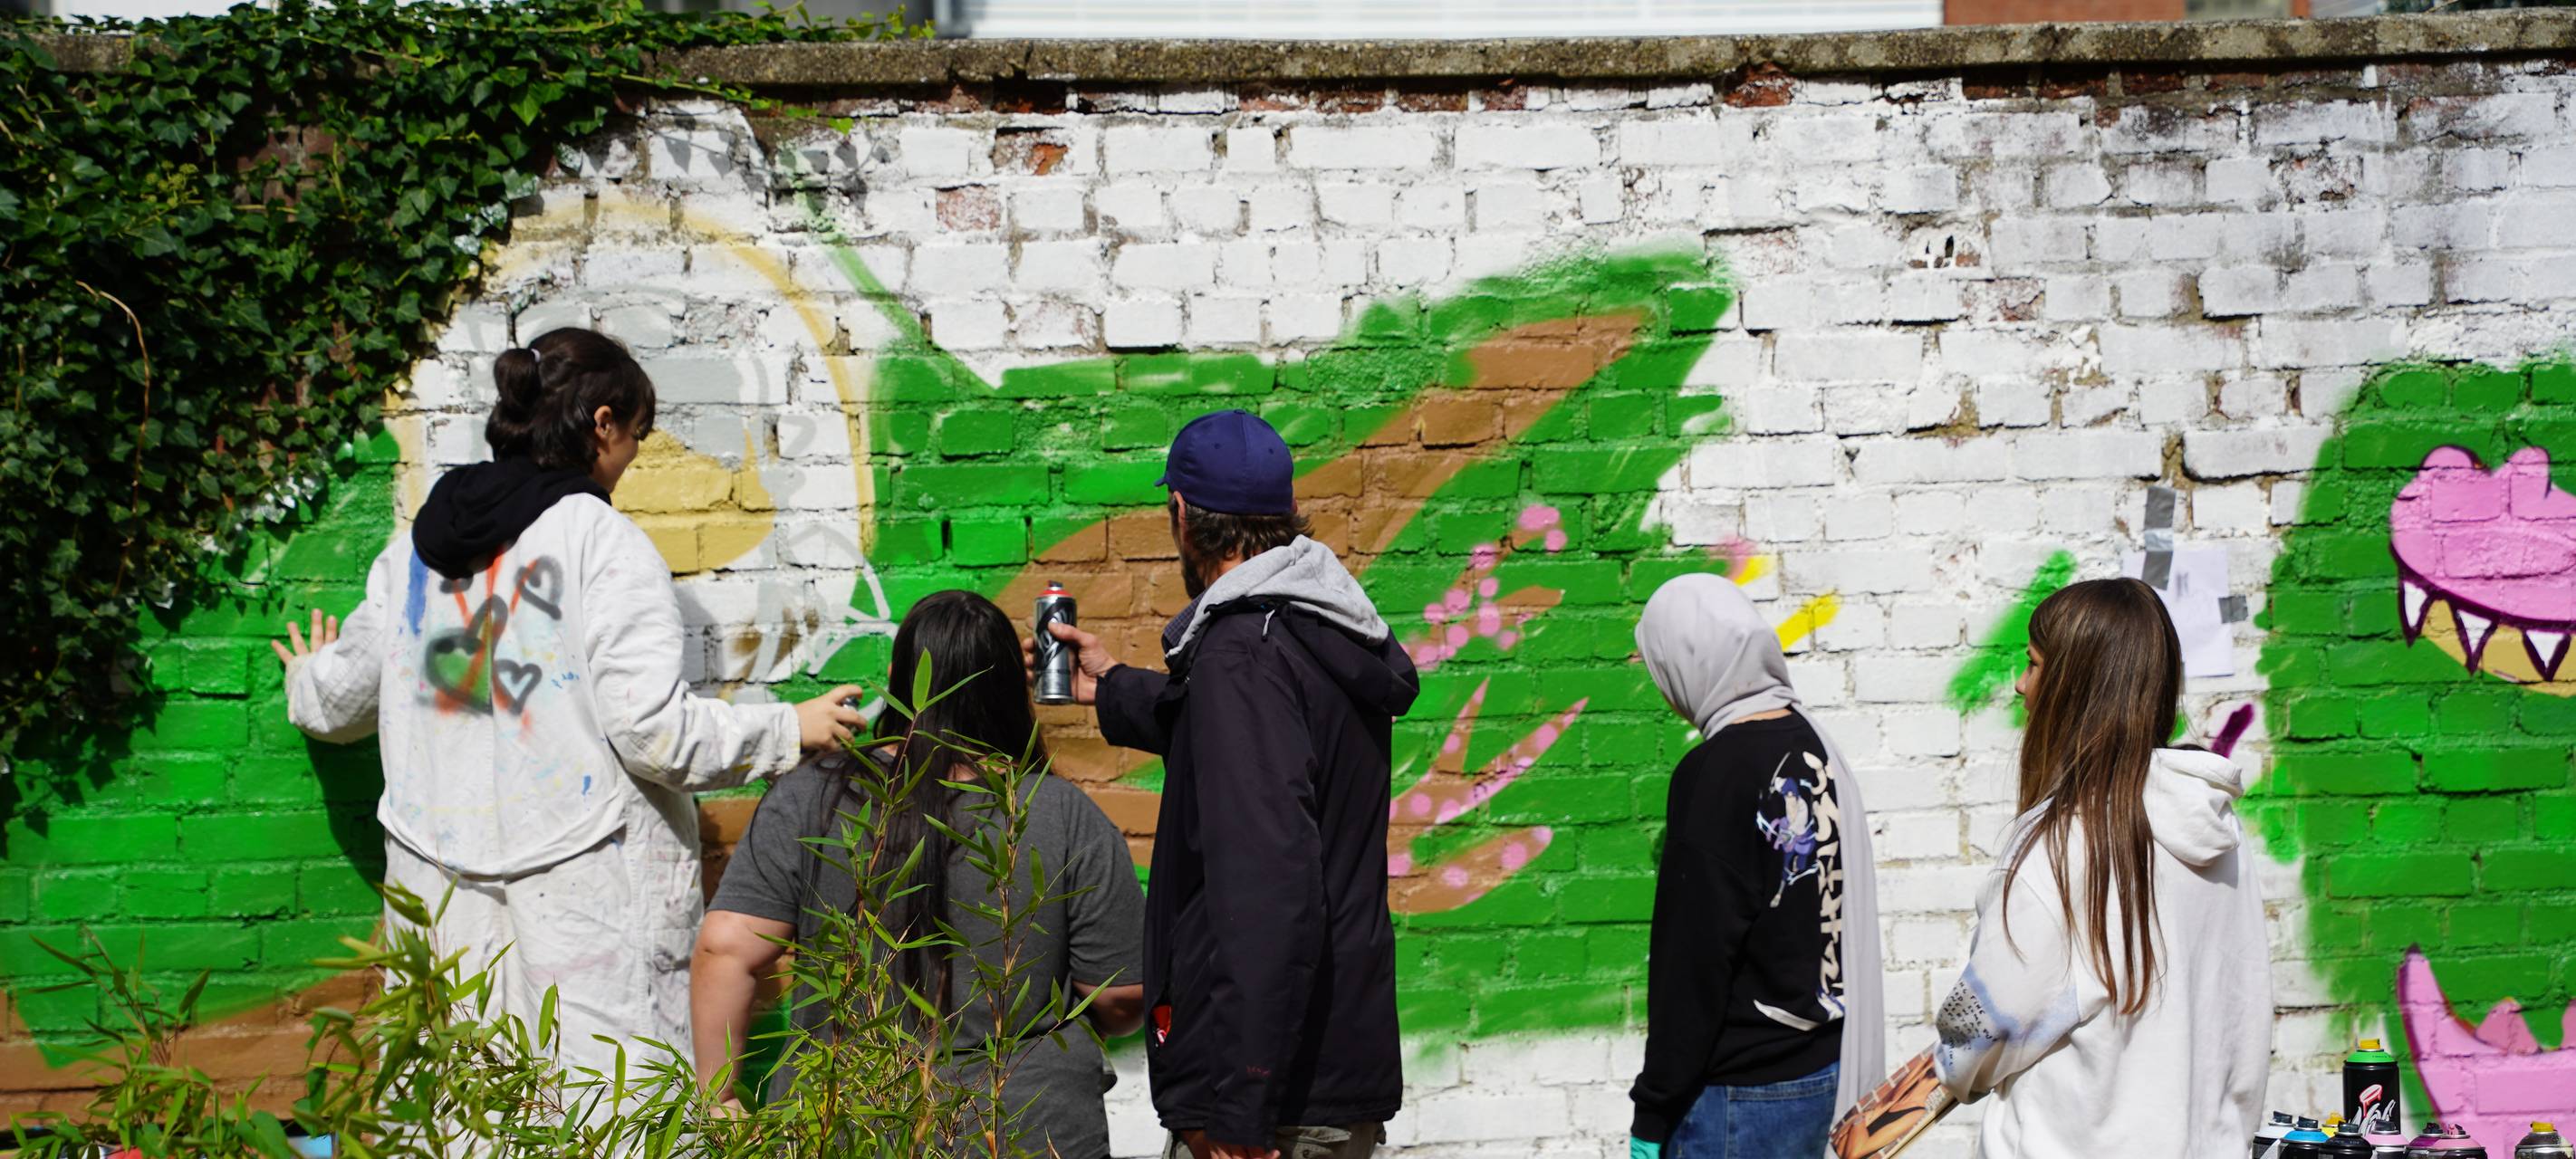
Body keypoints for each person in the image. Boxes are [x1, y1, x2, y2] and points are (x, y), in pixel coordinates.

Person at [274, 328, 866, 1078]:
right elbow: (653, 735)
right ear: (602, 424)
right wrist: (790, 728)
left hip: (439, 893)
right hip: (584, 895)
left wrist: (306, 677)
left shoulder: (418, 551)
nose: (634, 460)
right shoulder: (603, 545)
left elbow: (340, 699)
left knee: (461, 1106)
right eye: (637, 437)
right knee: (602, 1103)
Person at [1033, 409, 1419, 1159]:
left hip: (1271, 1107)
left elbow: (1268, 886)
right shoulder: (1317, 627)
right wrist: (1111, 686)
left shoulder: (1243, 656)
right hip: (1319, 1078)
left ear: (1181, 515)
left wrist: (1242, 1104)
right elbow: (1239, 740)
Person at [692, 589, 1147, 1156]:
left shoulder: (812, 796)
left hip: (847, 1119)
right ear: (1013, 689)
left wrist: (719, 1099)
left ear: (895, 677)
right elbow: (1123, 997)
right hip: (1027, 1128)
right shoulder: (1061, 811)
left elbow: (726, 949)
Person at [1929, 578, 2270, 1155]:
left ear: (2075, 688)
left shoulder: (2060, 846)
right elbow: (2243, 1030)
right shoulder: (2218, 830)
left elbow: (1972, 1047)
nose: (2020, 684)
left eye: (2034, 665)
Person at [1626, 574, 1886, 1159]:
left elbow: (1691, 967)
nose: (1664, 690)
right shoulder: (1816, 743)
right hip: (1822, 1075)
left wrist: (1653, 1111)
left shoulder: (1712, 775)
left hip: (1738, 1103)